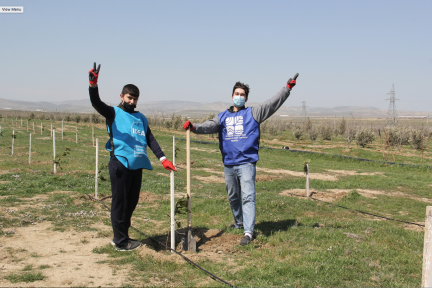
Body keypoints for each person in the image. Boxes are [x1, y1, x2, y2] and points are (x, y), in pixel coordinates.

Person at [183, 75, 298, 245]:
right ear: (232, 96)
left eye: (242, 94)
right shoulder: (222, 117)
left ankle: (248, 232)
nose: (239, 96)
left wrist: (287, 88)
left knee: (248, 196)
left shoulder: (253, 113)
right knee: (233, 197)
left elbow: (272, 103)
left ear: (246, 98)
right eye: (237, 93)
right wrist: (194, 127)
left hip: (246, 163)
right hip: (229, 164)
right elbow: (209, 126)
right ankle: (239, 222)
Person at [88, 63, 177, 251]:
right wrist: (93, 85)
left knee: (132, 202)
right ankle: (120, 242)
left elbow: (149, 138)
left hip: (137, 165)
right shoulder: (113, 112)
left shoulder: (141, 118)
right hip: (120, 163)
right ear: (121, 96)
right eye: (129, 98)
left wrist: (163, 159)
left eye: (135, 99)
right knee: (120, 203)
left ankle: (122, 236)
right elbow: (96, 103)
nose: (132, 102)